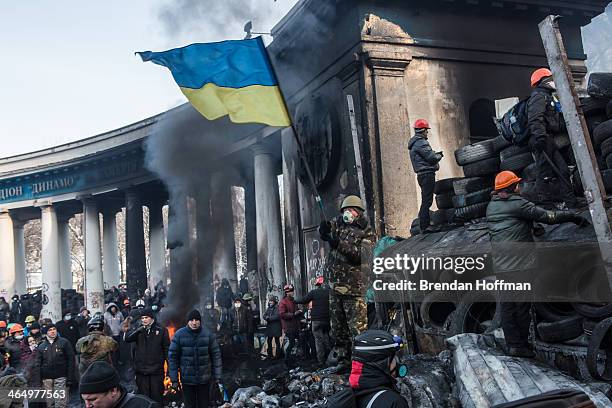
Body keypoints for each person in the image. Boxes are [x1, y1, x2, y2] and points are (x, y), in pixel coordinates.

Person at [487, 170, 589, 357]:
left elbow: (513, 223)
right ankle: (522, 346)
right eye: (517, 184)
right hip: (520, 265)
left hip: (501, 266)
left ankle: (513, 345)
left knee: (508, 307)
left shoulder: (492, 206)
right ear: (512, 187)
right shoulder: (518, 203)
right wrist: (573, 217)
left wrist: (533, 227)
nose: (519, 186)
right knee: (522, 307)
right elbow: (548, 216)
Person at [319, 195, 374, 364]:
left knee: (357, 331)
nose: (347, 214)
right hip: (335, 288)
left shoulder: (366, 232)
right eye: (344, 210)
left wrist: (338, 244)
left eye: (350, 210)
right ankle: (342, 361)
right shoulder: (338, 224)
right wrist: (323, 231)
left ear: (358, 213)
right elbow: (328, 230)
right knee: (338, 330)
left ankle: (361, 364)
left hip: (354, 290)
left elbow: (361, 256)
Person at [527, 68, 576, 208]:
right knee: (544, 174)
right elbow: (535, 119)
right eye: (551, 79)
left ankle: (571, 203)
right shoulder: (538, 96)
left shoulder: (548, 95)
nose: (554, 81)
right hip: (541, 140)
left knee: (563, 171)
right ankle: (545, 207)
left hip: (548, 139)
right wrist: (540, 138)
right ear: (544, 81)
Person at [168, 310, 222, 408]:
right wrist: (174, 379)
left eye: (197, 320)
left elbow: (216, 355)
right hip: (187, 380)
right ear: (187, 321)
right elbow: (173, 358)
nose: (194, 322)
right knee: (190, 405)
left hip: (204, 380)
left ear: (200, 321)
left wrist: (217, 376)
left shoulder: (208, 335)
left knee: (204, 405)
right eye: (191, 320)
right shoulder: (179, 335)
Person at [347, 330, 409, 408]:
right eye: (393, 358)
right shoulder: (394, 402)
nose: (397, 363)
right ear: (381, 363)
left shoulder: (346, 398)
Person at [123, 308, 169, 404]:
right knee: (144, 399)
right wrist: (138, 330)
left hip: (156, 372)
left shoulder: (162, 330)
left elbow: (166, 350)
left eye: (146, 317)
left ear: (152, 318)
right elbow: (127, 339)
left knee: (157, 398)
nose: (144, 320)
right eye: (142, 318)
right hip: (141, 372)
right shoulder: (139, 330)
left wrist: (169, 368)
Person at [408, 119, 444, 232]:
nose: (427, 133)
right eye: (426, 131)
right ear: (423, 131)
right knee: (427, 201)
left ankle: (423, 225)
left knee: (426, 200)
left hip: (422, 175)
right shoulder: (421, 142)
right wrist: (439, 156)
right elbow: (431, 158)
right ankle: (425, 226)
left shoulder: (415, 143)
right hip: (427, 174)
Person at [80, 361, 160, 408]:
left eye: (93, 399)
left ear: (113, 391)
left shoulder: (145, 406)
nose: (87, 406)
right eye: (84, 400)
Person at [35, 324, 75, 408]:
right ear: (46, 333)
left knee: (61, 403)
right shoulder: (41, 346)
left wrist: (70, 377)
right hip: (46, 379)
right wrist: (38, 381)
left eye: (54, 329)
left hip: (61, 377)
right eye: (50, 330)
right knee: (50, 403)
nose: (53, 331)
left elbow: (71, 360)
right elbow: (38, 364)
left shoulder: (64, 342)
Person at [296, 276, 331, 365]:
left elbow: (304, 300)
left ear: (317, 284)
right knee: (326, 338)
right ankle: (330, 358)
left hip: (317, 320)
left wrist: (294, 301)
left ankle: (321, 361)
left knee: (318, 340)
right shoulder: (329, 292)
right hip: (327, 319)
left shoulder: (314, 292)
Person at [279, 285, 302, 363]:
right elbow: (282, 314)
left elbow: (296, 311)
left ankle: (294, 358)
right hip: (288, 327)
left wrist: (299, 314)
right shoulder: (283, 302)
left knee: (298, 342)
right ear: (287, 292)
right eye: (291, 291)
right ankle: (287, 359)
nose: (292, 292)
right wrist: (294, 314)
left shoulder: (293, 301)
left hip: (295, 326)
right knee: (292, 343)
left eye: (292, 291)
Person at [263, 295, 282, 360]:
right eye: (269, 301)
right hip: (270, 328)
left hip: (276, 327)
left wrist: (268, 318)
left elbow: (277, 316)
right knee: (269, 341)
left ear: (274, 301)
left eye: (271, 301)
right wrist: (266, 317)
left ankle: (278, 355)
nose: (270, 302)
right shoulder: (269, 308)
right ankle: (270, 355)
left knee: (277, 341)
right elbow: (264, 315)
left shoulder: (277, 308)